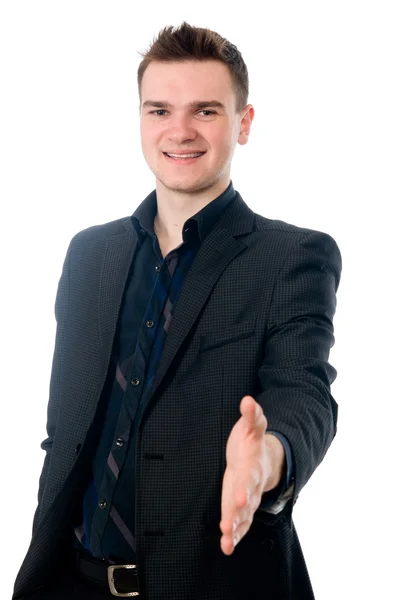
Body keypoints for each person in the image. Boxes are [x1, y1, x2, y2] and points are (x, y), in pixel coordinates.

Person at [12, 21, 342, 600]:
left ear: (244, 123)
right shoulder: (90, 254)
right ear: (140, 120)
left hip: (213, 584)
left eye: (206, 111)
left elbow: (305, 393)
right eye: (159, 110)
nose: (180, 131)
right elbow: (64, 433)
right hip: (68, 580)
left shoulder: (292, 257)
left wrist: (267, 458)